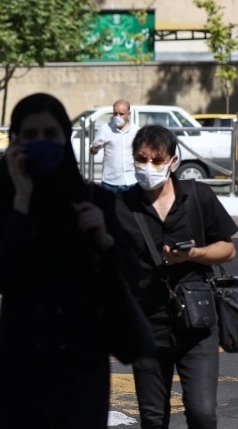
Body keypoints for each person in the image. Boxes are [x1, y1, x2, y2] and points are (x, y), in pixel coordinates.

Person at [0, 93, 142, 428]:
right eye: (30, 135)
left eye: (51, 134)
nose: (41, 143)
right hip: (21, 360)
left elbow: (131, 273)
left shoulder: (93, 199)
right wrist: (22, 205)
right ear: (14, 141)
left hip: (82, 362)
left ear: (65, 139)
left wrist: (103, 239)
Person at [115, 125, 237, 429]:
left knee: (201, 413)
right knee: (154, 419)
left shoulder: (198, 196)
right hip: (147, 325)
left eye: (157, 161)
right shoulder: (121, 206)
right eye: (141, 160)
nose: (148, 168)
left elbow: (228, 250)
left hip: (197, 322)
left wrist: (193, 255)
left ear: (173, 161)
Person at [90, 98, 139, 194]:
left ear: (128, 114)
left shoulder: (136, 131)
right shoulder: (105, 129)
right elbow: (93, 151)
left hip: (131, 181)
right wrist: (95, 148)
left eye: (121, 114)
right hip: (110, 182)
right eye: (115, 113)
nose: (117, 117)